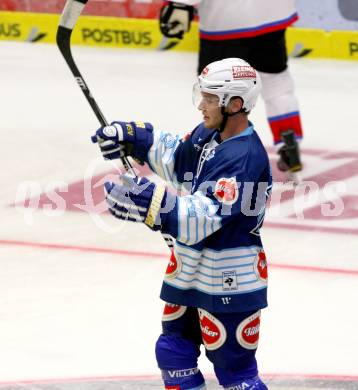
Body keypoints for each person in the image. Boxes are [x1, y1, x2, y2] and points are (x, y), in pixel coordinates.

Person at [92, 58, 271, 390]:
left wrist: (152, 205)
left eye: (209, 98)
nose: (201, 105)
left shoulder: (245, 156)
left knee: (236, 374)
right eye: (201, 95)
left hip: (229, 276)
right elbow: (178, 160)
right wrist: (136, 139)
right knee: (173, 351)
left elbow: (205, 216)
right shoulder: (208, 134)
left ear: (235, 104)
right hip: (191, 266)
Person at [159, 0, 303, 176]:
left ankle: (217, 152)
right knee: (276, 83)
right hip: (272, 16)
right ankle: (289, 142)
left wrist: (180, 3)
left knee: (215, 89)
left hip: (225, 20)